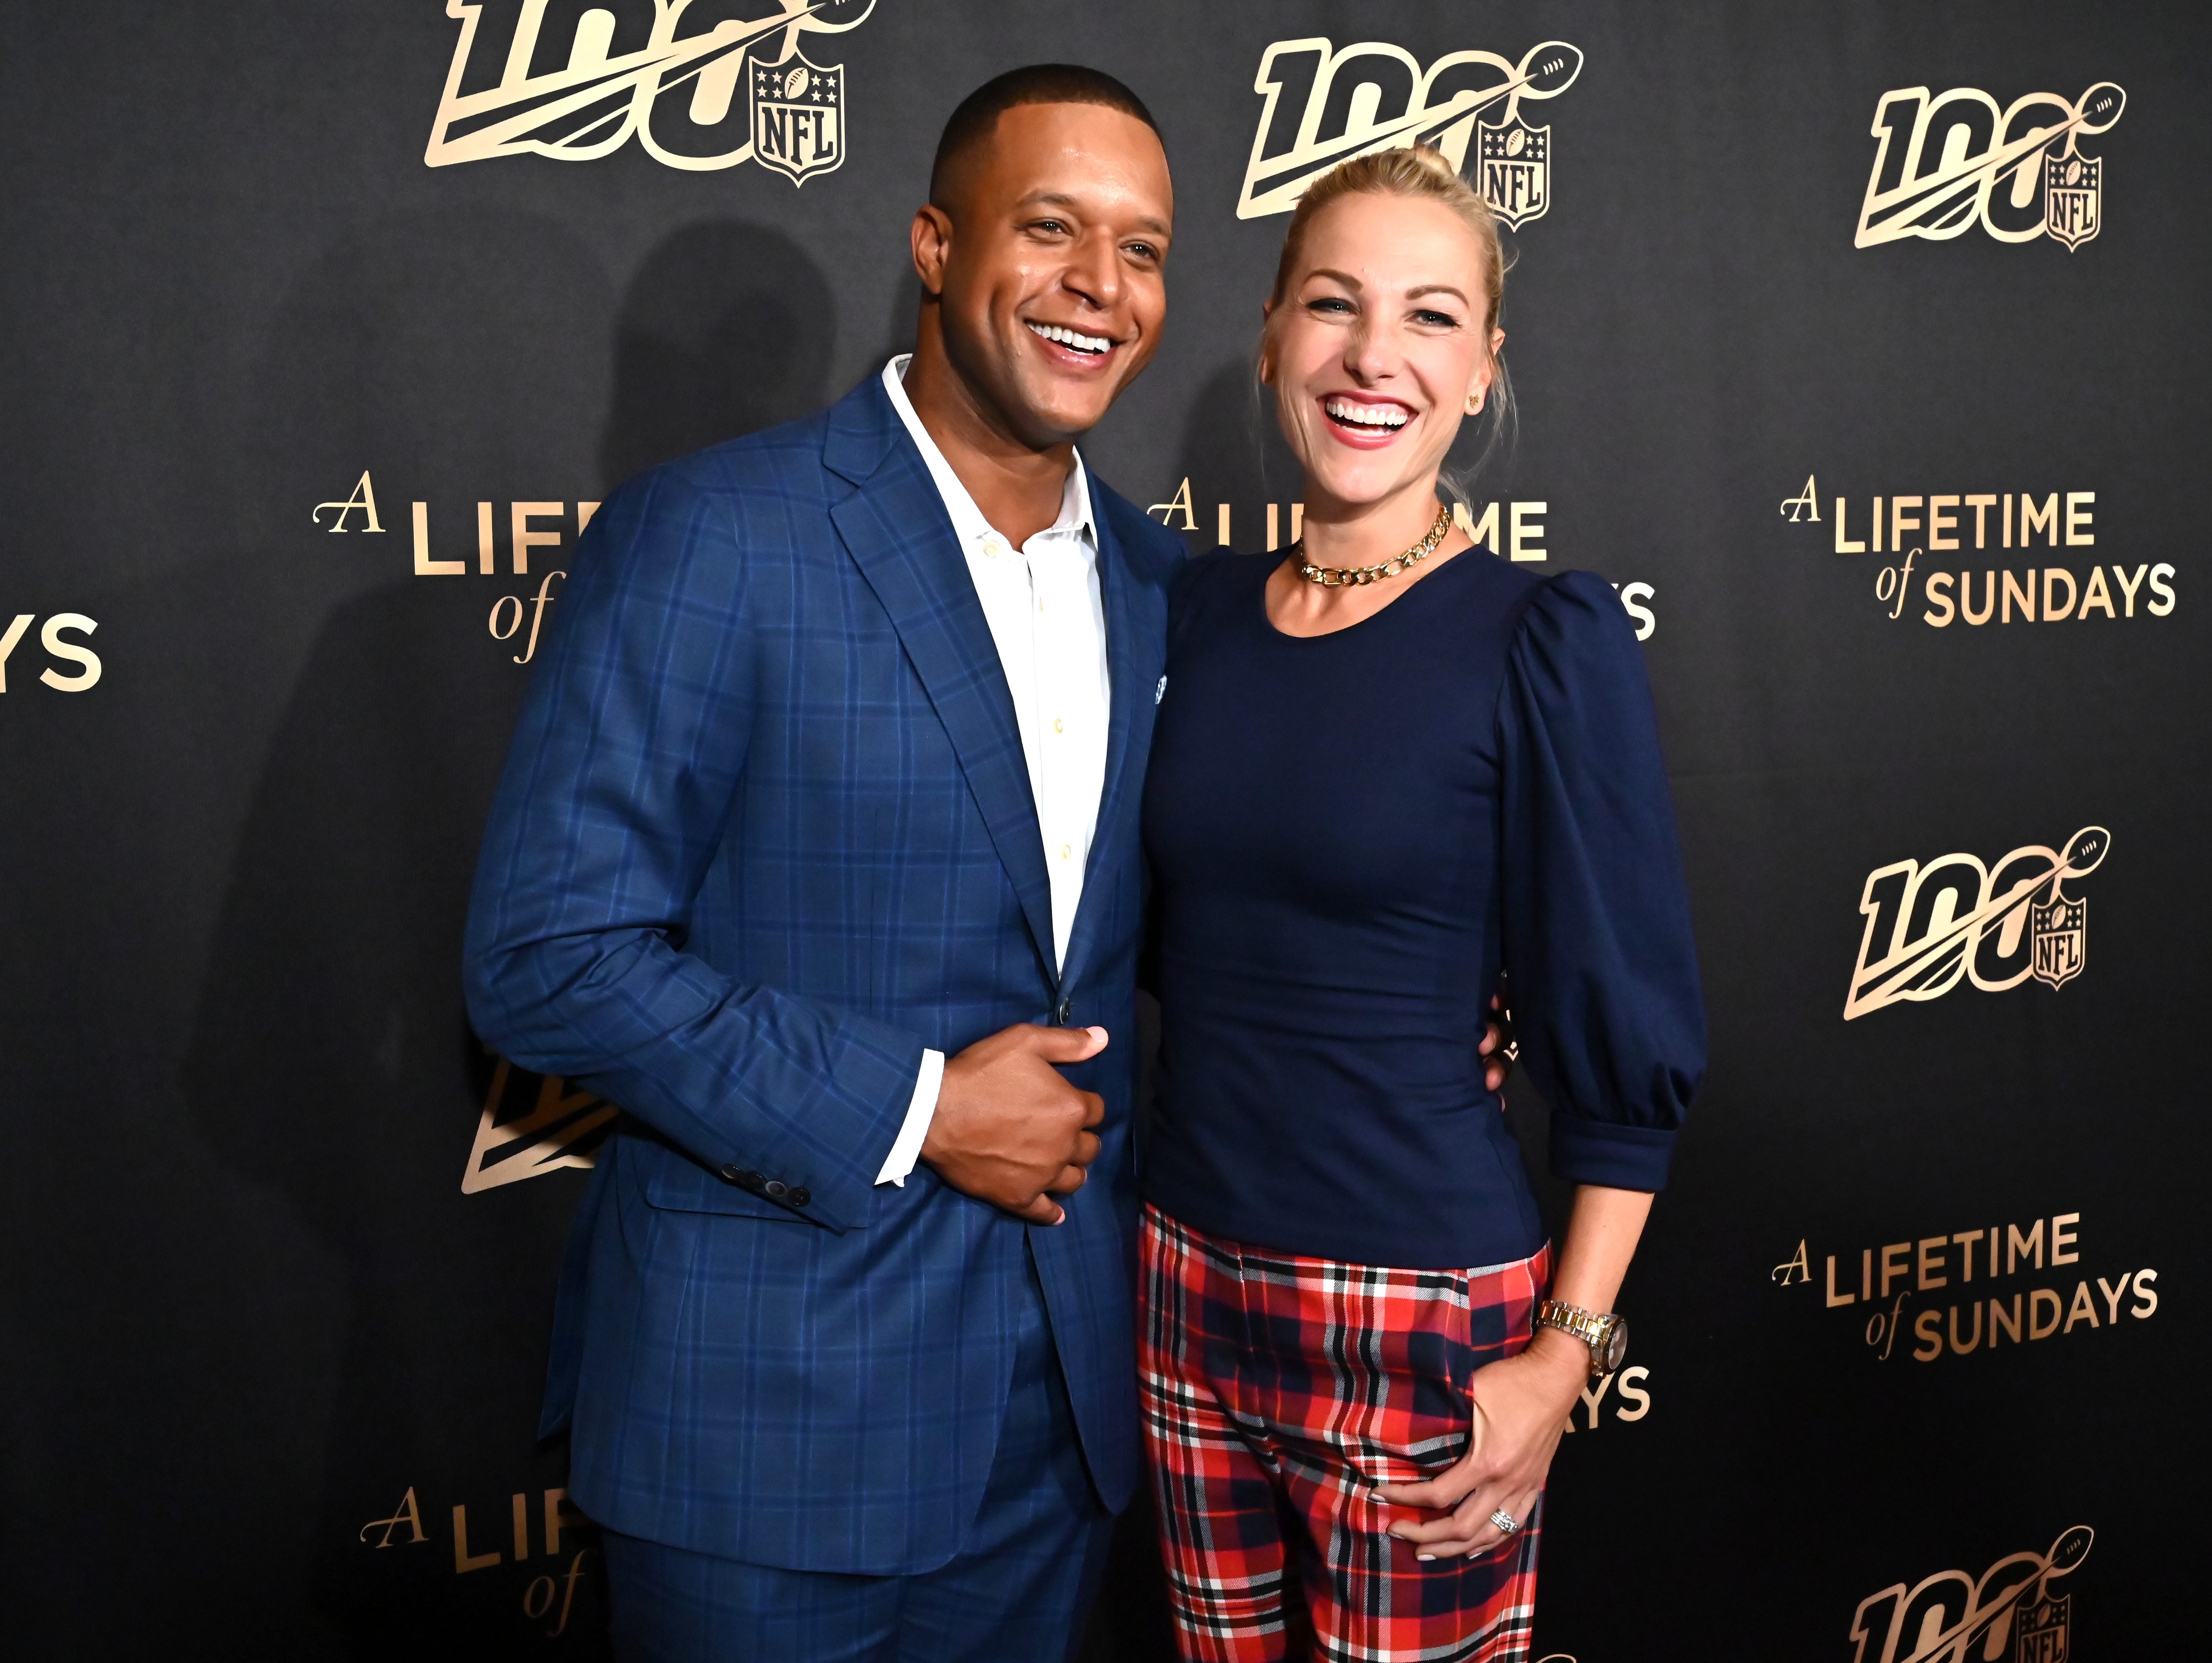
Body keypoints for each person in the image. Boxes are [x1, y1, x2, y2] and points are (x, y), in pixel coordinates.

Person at [463, 66, 1187, 1663]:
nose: (1099, 289)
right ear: (935, 244)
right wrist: (922, 1108)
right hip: (768, 1429)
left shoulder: (1161, 584)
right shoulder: (718, 534)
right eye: (1050, 228)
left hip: (1059, 1421)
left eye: (1141, 251)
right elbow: (548, 957)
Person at [1136, 146, 1706, 1663]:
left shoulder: (1537, 636)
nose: (1373, 356)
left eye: (1429, 318)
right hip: (1178, 1285)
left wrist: (1562, 1359)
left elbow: (1625, 1050)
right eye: (1332, 306)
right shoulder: (1186, 611)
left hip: (1413, 1320)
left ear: (1480, 370)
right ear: (1268, 335)